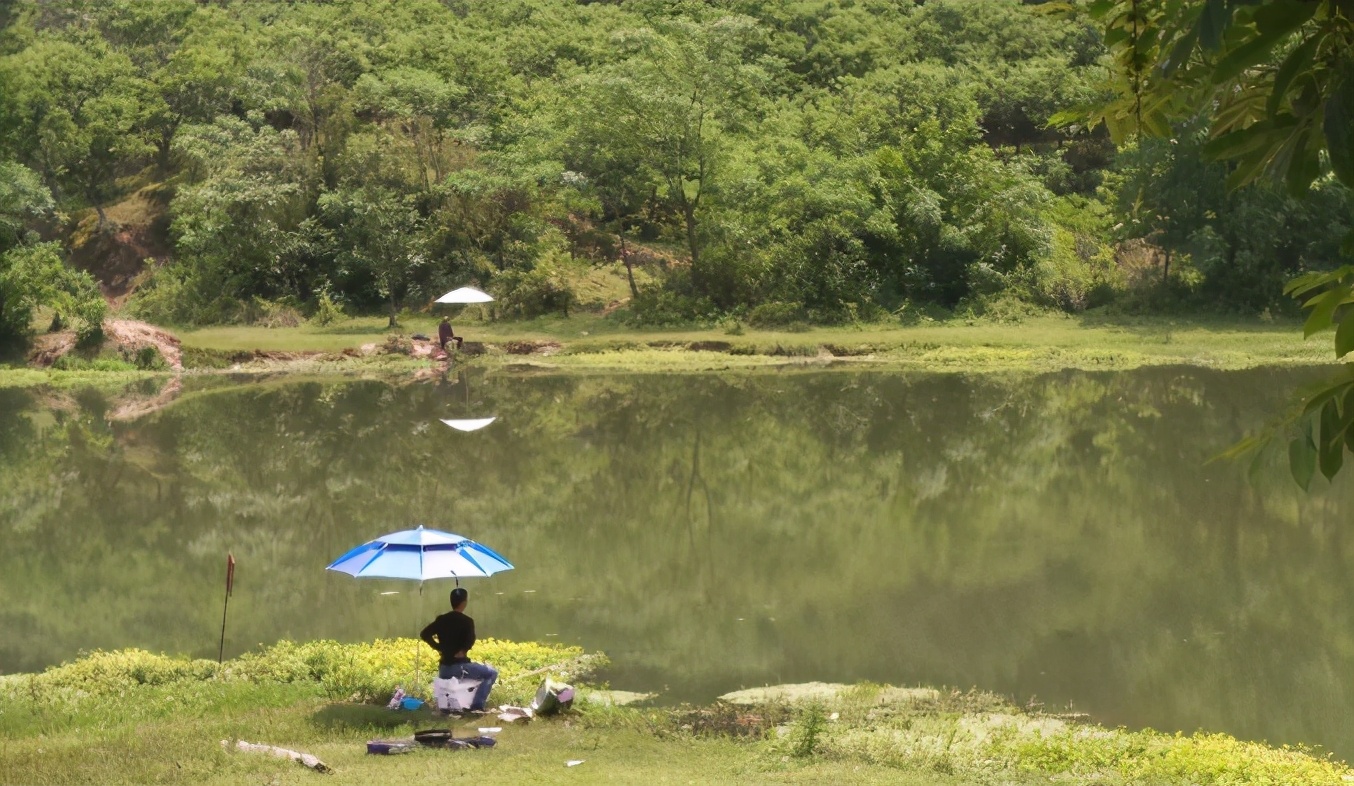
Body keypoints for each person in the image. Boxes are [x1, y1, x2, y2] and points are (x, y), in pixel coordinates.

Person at [420, 587, 497, 712]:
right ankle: (477, 706)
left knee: (477, 669)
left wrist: (439, 647)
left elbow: (424, 634)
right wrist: (463, 650)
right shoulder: (467, 621)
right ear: (464, 602)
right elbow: (470, 641)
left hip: (444, 669)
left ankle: (458, 705)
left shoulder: (441, 619)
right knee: (491, 673)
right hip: (459, 668)